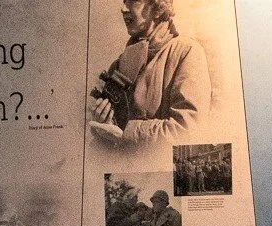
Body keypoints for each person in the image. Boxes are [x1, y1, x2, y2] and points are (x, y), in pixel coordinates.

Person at [89, 0, 211, 149]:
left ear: (158, 9)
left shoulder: (186, 52)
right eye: (124, 1)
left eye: (134, 1)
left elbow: (188, 130)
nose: (123, 9)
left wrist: (125, 136)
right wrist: (102, 128)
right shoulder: (118, 66)